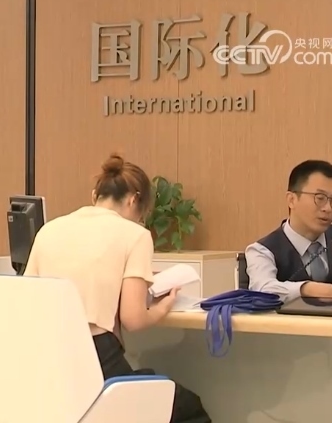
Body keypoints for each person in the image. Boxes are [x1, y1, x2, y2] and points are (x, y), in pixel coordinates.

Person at [23, 153, 212, 423]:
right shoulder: (134, 235)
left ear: (95, 196)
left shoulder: (48, 230)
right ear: (134, 200)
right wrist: (163, 307)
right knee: (189, 408)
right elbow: (133, 319)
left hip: (47, 364)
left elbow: (29, 298)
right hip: (95, 360)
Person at [244, 160, 332, 302]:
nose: (328, 208)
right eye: (320, 198)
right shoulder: (262, 250)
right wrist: (306, 289)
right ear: (291, 200)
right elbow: (262, 290)